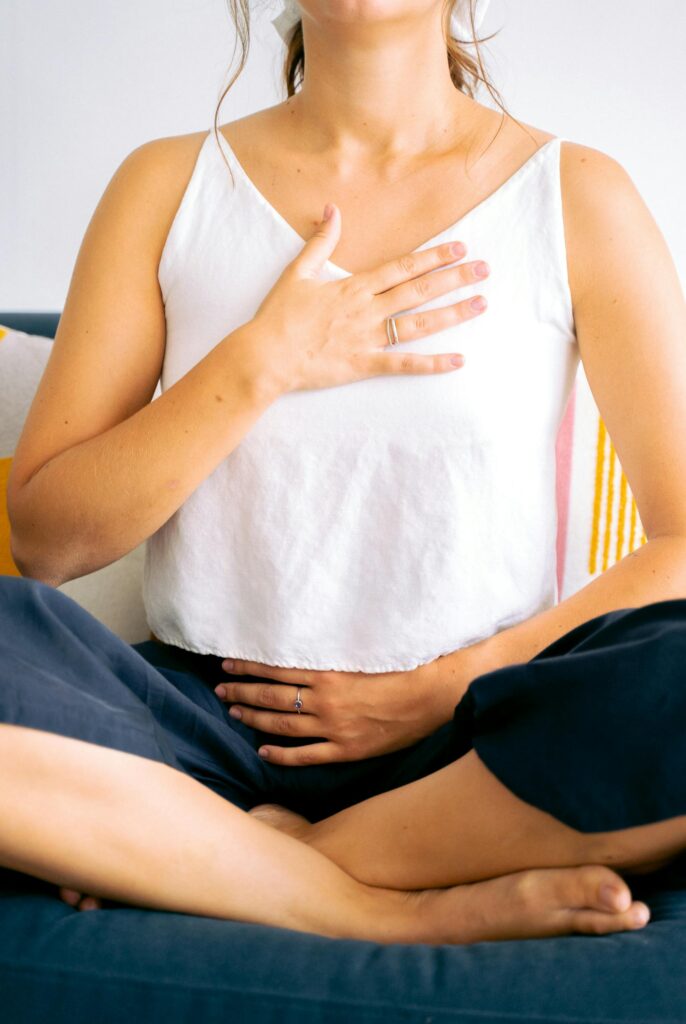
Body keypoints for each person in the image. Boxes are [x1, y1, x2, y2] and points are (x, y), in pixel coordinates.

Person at [3, 0, 686, 945]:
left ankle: (219, 858)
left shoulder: (577, 193)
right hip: (201, 725)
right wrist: (266, 359)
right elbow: (43, 540)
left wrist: (450, 686)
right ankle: (374, 908)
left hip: (470, 744)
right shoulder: (163, 183)